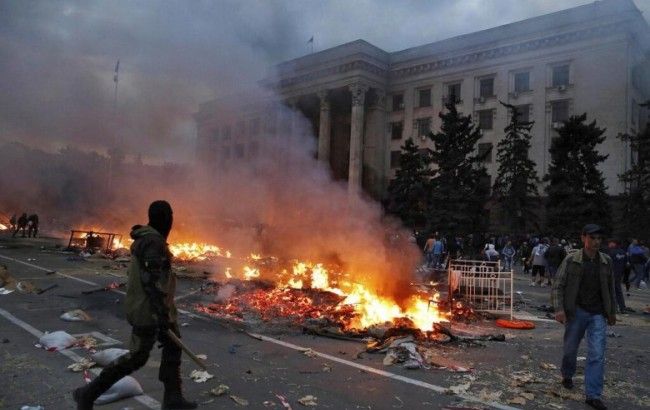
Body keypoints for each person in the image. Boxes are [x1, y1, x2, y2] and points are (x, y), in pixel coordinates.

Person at [73, 200, 196, 410]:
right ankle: (88, 393)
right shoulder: (153, 242)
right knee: (137, 357)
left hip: (157, 308)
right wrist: (161, 315)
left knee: (173, 347)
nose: (171, 221)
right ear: (165, 218)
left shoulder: (150, 239)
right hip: (149, 310)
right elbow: (152, 282)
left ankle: (173, 397)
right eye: (170, 216)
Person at [551, 224, 616, 410]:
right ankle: (567, 374)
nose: (596, 242)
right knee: (570, 349)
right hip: (576, 311)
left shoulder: (606, 261)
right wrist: (559, 309)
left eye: (599, 239)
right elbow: (558, 284)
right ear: (583, 238)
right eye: (592, 238)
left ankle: (593, 395)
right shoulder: (572, 259)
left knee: (597, 353)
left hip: (598, 314)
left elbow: (611, 288)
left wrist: (612, 312)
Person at [607, 239, 630, 313]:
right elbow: (627, 265)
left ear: (614, 244)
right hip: (619, 274)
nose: (609, 244)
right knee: (618, 291)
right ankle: (622, 308)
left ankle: (614, 308)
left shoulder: (611, 252)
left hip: (611, 274)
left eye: (610, 243)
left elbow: (607, 264)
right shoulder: (623, 252)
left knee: (611, 291)